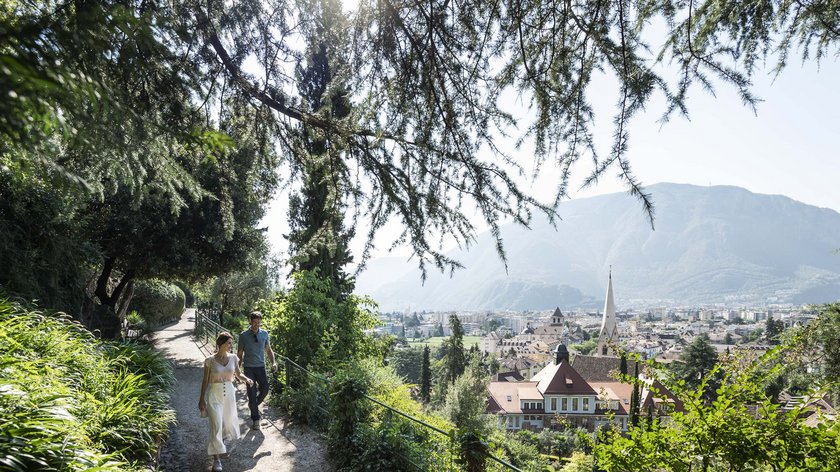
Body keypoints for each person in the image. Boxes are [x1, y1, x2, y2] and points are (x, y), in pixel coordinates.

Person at [198, 332, 253, 472]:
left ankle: (220, 445)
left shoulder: (234, 358)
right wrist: (201, 399)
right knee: (216, 424)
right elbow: (205, 381)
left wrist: (247, 380)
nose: (231, 345)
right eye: (229, 343)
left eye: (231, 343)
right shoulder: (209, 360)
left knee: (225, 424)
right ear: (221, 344)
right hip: (214, 395)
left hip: (229, 394)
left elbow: (238, 374)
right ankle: (216, 459)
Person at [237, 311, 276, 430]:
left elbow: (269, 350)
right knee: (252, 393)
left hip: (261, 367)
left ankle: (252, 405)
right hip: (248, 368)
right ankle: (256, 419)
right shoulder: (243, 336)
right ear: (250, 321)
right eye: (254, 322)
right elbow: (239, 354)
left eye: (258, 322)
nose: (256, 325)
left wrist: (273, 362)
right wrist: (237, 371)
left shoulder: (264, 334)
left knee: (265, 389)